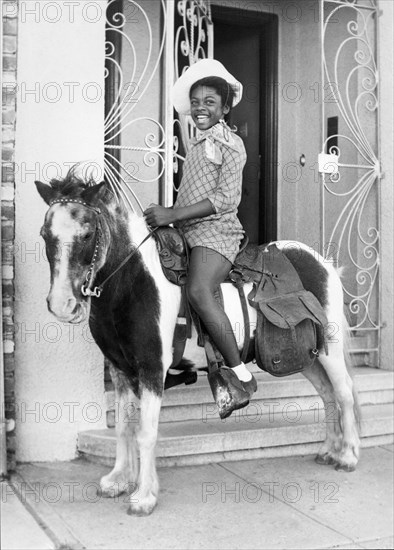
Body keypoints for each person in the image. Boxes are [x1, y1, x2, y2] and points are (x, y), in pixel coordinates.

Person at [144, 59, 256, 418]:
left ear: (225, 107)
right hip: (187, 232)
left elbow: (226, 199)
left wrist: (172, 214)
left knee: (197, 291)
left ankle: (240, 372)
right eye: (196, 102)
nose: (201, 108)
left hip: (217, 233)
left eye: (210, 102)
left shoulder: (231, 143)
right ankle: (178, 361)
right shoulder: (197, 144)